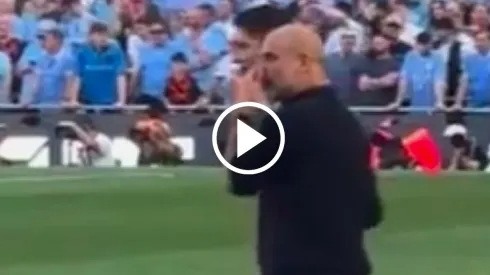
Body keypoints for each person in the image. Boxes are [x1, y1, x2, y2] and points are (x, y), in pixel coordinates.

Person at [226, 24, 383, 275]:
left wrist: (245, 113)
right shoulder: (349, 123)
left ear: (302, 62)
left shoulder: (288, 121)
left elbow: (241, 180)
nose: (262, 70)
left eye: (271, 58)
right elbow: (370, 213)